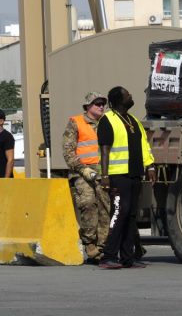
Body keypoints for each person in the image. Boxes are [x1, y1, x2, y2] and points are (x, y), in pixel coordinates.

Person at [97, 86, 156, 269]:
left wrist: (150, 165)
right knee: (119, 213)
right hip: (117, 175)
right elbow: (105, 150)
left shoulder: (133, 121)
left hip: (134, 174)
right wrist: (105, 175)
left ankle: (128, 257)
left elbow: (144, 145)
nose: (131, 96)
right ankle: (108, 256)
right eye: (127, 94)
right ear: (119, 100)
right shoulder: (108, 120)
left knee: (131, 215)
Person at [62, 92, 110, 264]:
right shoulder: (76, 123)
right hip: (83, 172)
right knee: (88, 203)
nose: (101, 106)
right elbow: (68, 151)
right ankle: (90, 243)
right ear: (87, 106)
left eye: (103, 103)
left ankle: (103, 247)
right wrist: (82, 169)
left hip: (103, 172)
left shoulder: (107, 122)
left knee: (106, 207)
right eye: (97, 103)